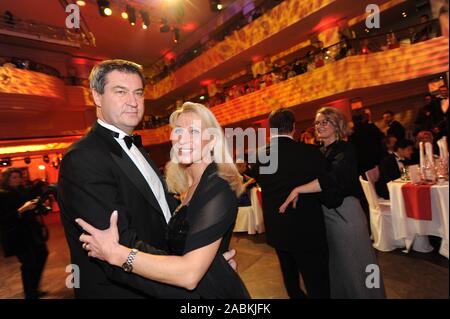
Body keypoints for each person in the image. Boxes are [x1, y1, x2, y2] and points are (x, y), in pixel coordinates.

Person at [58, 60, 236, 299]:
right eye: (120, 91)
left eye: (138, 93)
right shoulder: (84, 158)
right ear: (97, 97)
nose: (133, 102)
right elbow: (118, 246)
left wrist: (205, 266)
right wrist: (203, 274)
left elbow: (168, 219)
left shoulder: (139, 151)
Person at [76, 102, 250, 298]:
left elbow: (189, 274)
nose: (183, 139)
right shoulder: (192, 185)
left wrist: (117, 254)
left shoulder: (217, 186)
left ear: (211, 140)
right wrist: (215, 263)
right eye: (178, 131)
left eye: (193, 131)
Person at [279, 107, 386, 299]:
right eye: (317, 123)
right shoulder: (317, 152)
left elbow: (334, 178)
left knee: (358, 263)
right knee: (337, 266)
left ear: (337, 125)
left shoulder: (346, 148)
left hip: (346, 214)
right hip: (325, 217)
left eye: (324, 121)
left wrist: (298, 190)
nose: (319, 126)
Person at [247, 108, 331, 299]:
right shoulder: (311, 153)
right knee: (317, 282)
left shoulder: (259, 157)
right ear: (294, 127)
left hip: (279, 228)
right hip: (309, 227)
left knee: (290, 280)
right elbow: (324, 184)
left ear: (270, 129)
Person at [0, 168, 49, 299]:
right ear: (7, 179)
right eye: (14, 177)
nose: (17, 179)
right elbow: (4, 219)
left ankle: (34, 288)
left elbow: (34, 207)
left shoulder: (23, 191)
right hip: (16, 235)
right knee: (28, 264)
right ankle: (30, 293)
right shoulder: (2, 195)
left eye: (19, 177)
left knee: (42, 255)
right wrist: (22, 210)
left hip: (32, 231)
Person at [348, 109, 385, 176]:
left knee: (367, 181)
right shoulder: (371, 127)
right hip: (375, 157)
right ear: (363, 119)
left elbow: (351, 149)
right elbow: (381, 137)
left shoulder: (352, 133)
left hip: (361, 162)